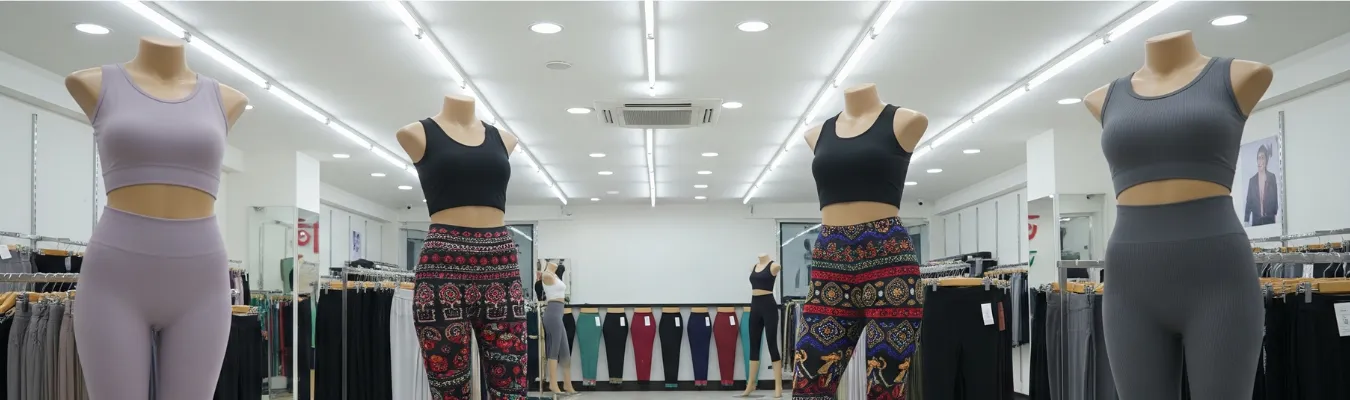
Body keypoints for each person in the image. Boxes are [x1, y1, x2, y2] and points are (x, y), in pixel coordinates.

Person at [1243, 144, 1279, 226]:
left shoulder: (1272, 177)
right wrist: (1246, 219)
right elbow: (1249, 202)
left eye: (1262, 157)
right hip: (1256, 222)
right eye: (1258, 158)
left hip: (1270, 221)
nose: (1260, 161)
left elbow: (1275, 198)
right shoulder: (1252, 181)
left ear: (1266, 160)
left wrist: (1274, 213)